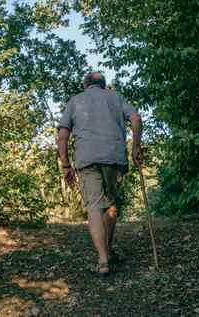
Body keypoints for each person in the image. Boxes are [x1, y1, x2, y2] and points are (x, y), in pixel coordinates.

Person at [57, 72, 143, 276]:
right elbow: (136, 118)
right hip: (114, 157)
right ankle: (109, 250)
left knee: (95, 207)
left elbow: (62, 137)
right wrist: (136, 147)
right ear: (103, 85)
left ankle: (103, 261)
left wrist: (66, 165)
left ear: (86, 85)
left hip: (87, 159)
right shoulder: (115, 97)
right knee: (111, 204)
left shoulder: (75, 100)